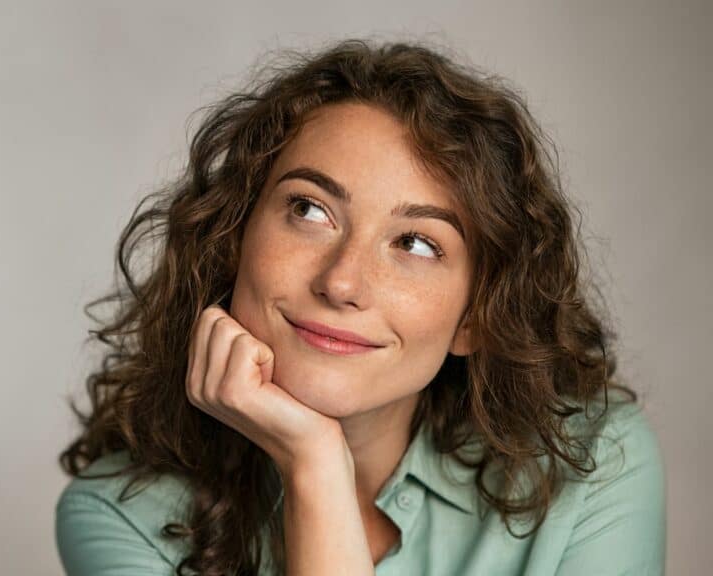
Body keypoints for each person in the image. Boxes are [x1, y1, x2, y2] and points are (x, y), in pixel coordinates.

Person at [53, 38, 666, 575]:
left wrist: (314, 463)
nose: (343, 283)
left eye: (416, 244)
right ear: (232, 236)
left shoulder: (596, 465)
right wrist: (316, 464)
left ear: (478, 316)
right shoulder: (120, 517)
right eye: (310, 210)